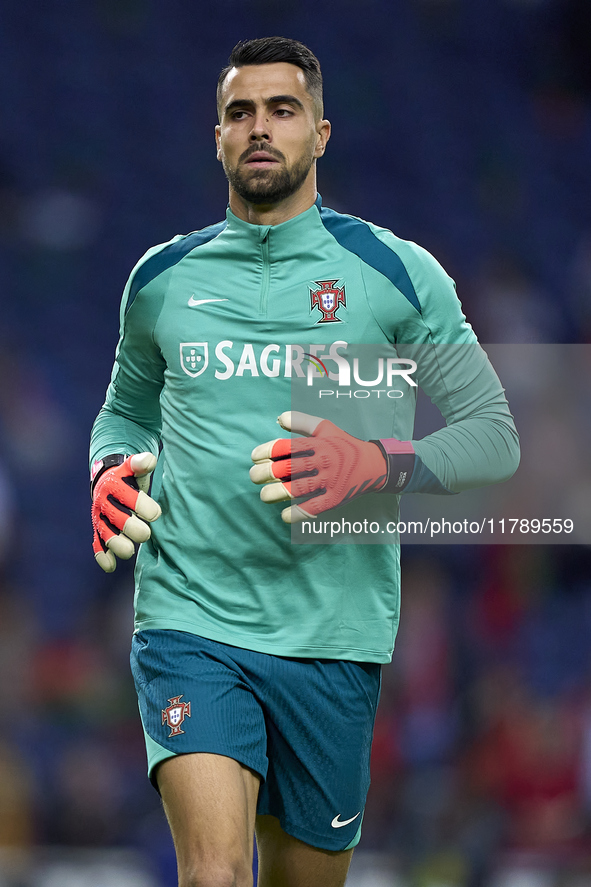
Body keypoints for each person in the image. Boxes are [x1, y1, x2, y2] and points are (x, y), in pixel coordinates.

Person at [89, 36, 520, 887]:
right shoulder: (162, 279)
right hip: (191, 620)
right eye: (240, 112)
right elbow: (125, 411)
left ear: (320, 133)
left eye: (282, 110)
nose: (259, 128)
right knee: (214, 876)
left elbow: (494, 435)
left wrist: (376, 463)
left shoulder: (394, 275)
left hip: (332, 636)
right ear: (215, 136)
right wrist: (108, 466)